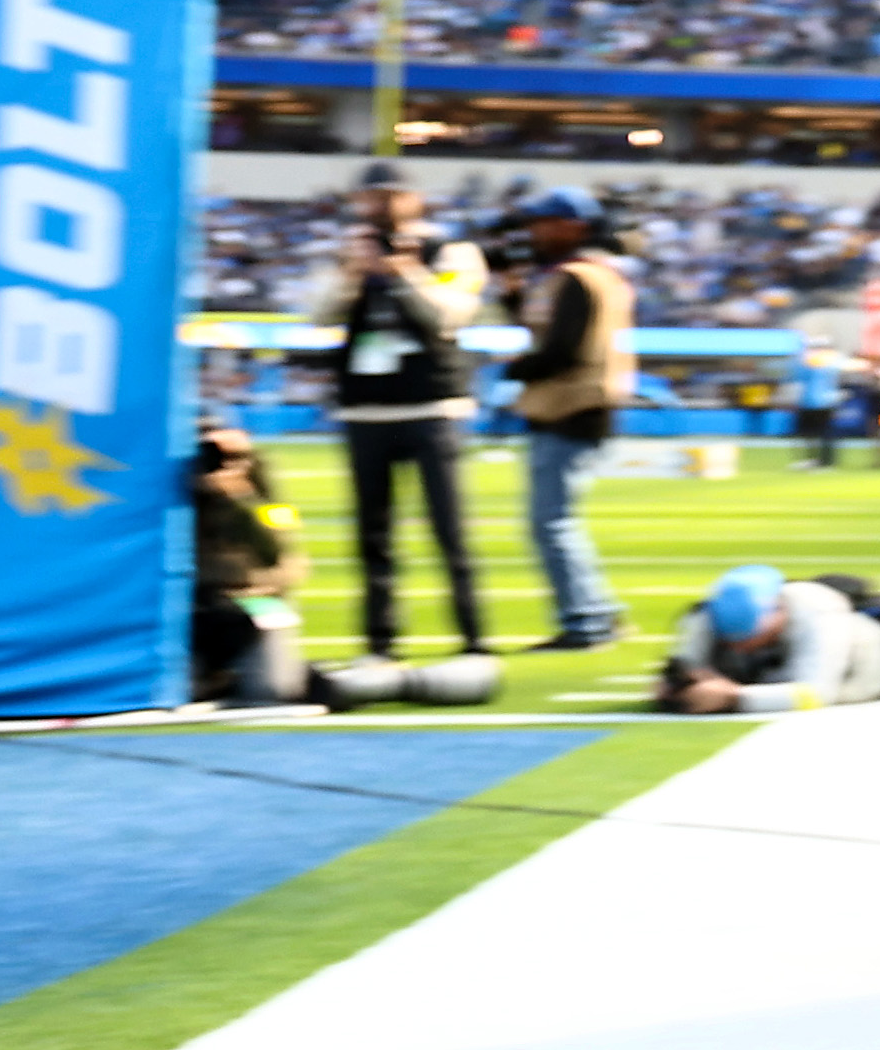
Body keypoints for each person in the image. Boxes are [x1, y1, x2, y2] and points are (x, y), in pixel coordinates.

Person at [322, 176, 489, 659]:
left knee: (450, 531)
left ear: (413, 199)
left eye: (389, 196)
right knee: (373, 536)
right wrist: (353, 274)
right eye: (370, 197)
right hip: (365, 409)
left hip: (430, 406)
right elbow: (315, 316)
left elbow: (450, 316)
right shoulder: (351, 253)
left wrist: (406, 271)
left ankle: (473, 638)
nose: (379, 206)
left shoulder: (451, 251)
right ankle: (380, 642)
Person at [502, 185, 637, 652]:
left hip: (570, 408)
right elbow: (541, 329)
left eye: (544, 223)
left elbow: (561, 350)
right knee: (559, 521)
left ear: (572, 227)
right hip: (581, 407)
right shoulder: (591, 274)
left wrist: (514, 369)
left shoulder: (578, 277)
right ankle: (598, 612)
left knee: (552, 524)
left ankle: (586, 620)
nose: (534, 231)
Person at [656, 562, 880, 715]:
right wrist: (676, 686)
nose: (740, 649)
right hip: (773, 673)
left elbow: (817, 694)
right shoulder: (706, 615)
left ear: (778, 613)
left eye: (749, 639)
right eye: (730, 642)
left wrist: (734, 697)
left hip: (864, 674)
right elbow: (682, 667)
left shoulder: (819, 613)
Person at [187, 423, 299, 705]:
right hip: (198, 606)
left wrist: (238, 497)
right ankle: (214, 678)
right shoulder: (178, 495)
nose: (222, 464)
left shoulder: (265, 498)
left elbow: (277, 551)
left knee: (273, 692)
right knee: (185, 692)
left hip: (253, 604)